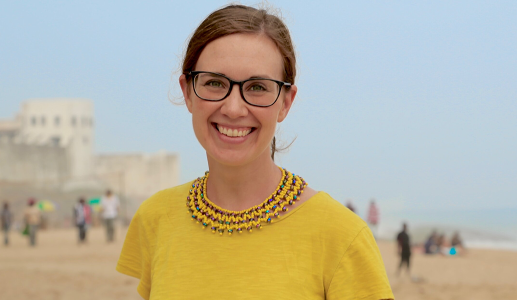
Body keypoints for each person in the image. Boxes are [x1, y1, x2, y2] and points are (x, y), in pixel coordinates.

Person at [116, 5, 394, 299]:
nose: (234, 108)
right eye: (214, 83)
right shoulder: (155, 219)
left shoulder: (342, 236)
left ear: (286, 102)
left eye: (257, 87)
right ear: (187, 92)